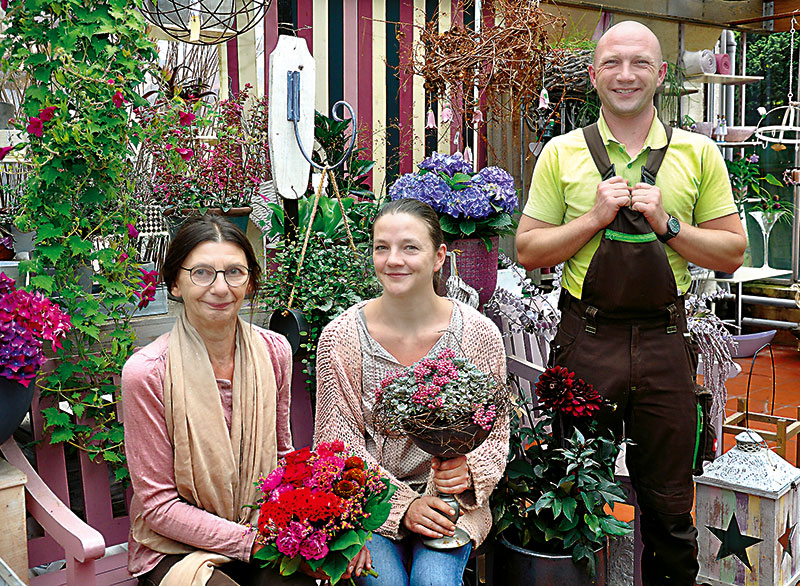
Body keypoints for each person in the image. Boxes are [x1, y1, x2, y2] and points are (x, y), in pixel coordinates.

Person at [516, 21, 746, 586]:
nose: (626, 75)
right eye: (613, 63)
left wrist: (669, 225)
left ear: (661, 75)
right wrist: (593, 218)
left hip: (667, 346)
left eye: (640, 63)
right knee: (575, 497)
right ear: (593, 75)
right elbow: (527, 248)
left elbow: (732, 251)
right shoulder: (561, 153)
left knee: (670, 508)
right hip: (587, 344)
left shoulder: (698, 154)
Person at [314, 199, 509, 586]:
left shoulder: (477, 333)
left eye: (409, 247)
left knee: (433, 582)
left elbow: (496, 430)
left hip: (453, 505)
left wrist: (466, 472)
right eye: (381, 247)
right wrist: (403, 506)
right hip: (368, 503)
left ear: (439, 257)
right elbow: (337, 446)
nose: (393, 260)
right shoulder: (341, 338)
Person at [122, 215, 316, 586]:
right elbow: (160, 507)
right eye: (202, 273)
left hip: (259, 529)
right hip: (176, 546)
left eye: (234, 272)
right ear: (175, 283)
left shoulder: (274, 351)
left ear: (251, 282)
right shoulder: (148, 373)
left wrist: (306, 530)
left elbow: (282, 458)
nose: (220, 287)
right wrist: (250, 543)